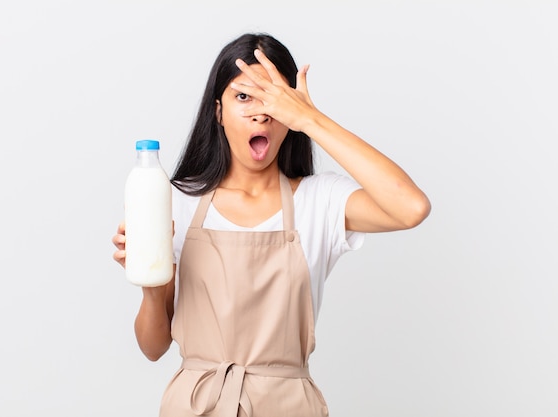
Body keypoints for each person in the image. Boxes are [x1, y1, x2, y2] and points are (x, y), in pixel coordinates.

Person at [112, 32, 430, 417]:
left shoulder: (318, 202)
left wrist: (311, 119)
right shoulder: (177, 200)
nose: (260, 112)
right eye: (243, 96)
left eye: (273, 98)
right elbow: (153, 347)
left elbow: (410, 207)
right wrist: (149, 284)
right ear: (218, 111)